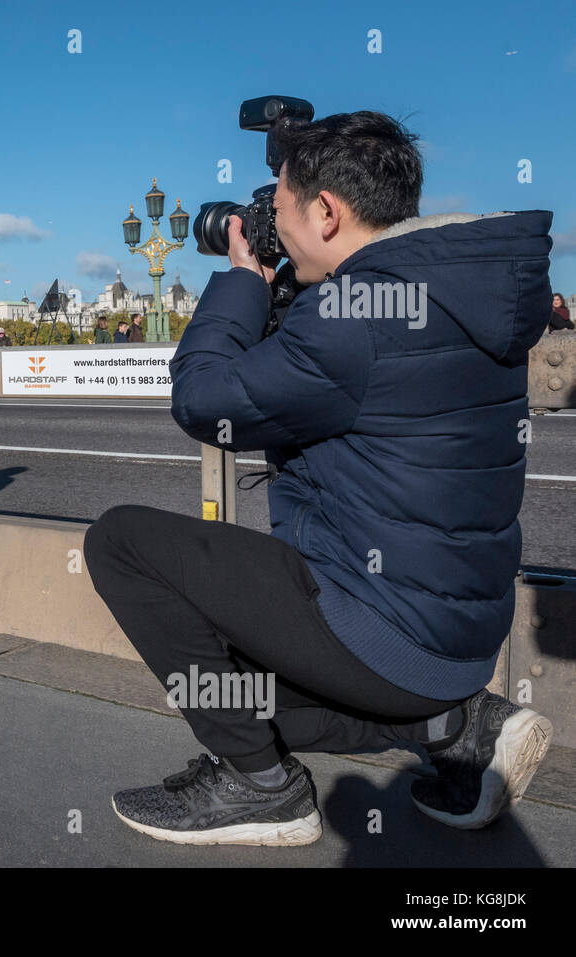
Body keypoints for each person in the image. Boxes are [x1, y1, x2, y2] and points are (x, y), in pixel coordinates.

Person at [84, 110, 553, 846]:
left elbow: (204, 401)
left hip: (388, 630)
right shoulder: (458, 295)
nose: (269, 226)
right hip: (459, 638)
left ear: (326, 212)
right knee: (230, 689)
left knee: (122, 544)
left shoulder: (348, 317)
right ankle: (457, 728)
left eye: (275, 210)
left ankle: (260, 786)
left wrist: (243, 281)